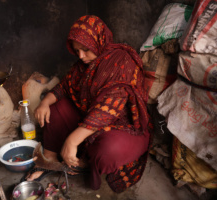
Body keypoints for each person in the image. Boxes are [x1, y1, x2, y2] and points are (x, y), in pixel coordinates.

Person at [26, 15, 151, 193]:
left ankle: (85, 161)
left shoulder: (121, 60)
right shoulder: (85, 64)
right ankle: (50, 159)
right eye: (77, 51)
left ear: (99, 41)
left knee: (108, 151)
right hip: (92, 120)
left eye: (85, 49)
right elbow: (64, 87)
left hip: (124, 127)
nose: (81, 56)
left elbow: (108, 109)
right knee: (56, 109)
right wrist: (45, 102)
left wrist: (72, 140)